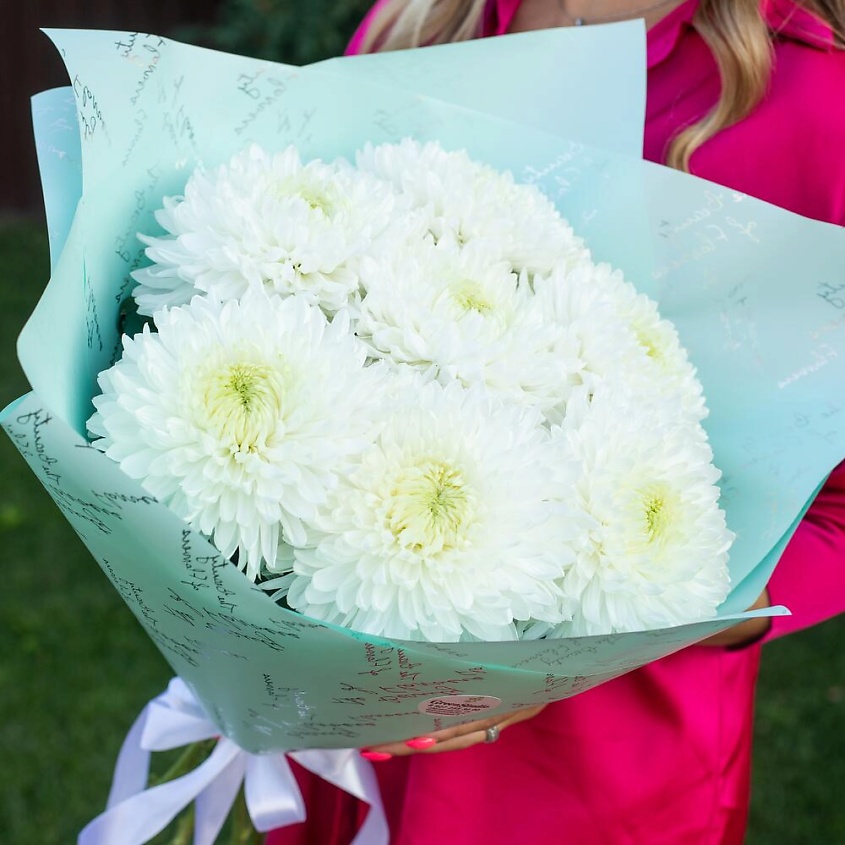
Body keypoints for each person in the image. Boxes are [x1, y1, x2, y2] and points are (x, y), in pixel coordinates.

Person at [268, 1, 845, 842]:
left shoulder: (811, 106)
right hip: (348, 708)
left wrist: (613, 624)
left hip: (598, 769)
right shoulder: (416, 28)